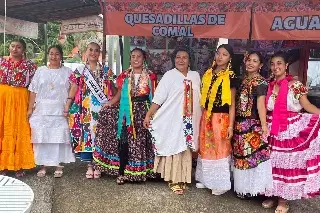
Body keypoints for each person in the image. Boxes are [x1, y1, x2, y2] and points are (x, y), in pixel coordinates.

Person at [262, 51, 320, 213]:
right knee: (271, 163)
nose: (275, 67)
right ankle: (273, 194)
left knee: (286, 164)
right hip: (271, 128)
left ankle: (283, 200)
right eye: (273, 64)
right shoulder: (269, 85)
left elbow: (307, 106)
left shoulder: (295, 85)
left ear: (286, 65)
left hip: (289, 129)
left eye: (279, 63)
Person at [144, 46, 201, 195]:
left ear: (189, 60)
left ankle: (183, 178)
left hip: (190, 120)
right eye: (178, 57)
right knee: (175, 146)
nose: (181, 60)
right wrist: (149, 114)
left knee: (186, 148)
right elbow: (158, 98)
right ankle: (174, 180)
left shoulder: (195, 76)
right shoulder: (169, 76)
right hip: (174, 119)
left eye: (184, 57)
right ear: (174, 60)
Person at [94, 48, 157, 184]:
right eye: (133, 56)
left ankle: (143, 171)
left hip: (143, 111)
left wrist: (152, 113)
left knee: (142, 142)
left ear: (143, 58)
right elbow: (119, 95)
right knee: (124, 142)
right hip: (126, 112)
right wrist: (109, 103)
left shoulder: (150, 76)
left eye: (138, 56)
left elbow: (154, 96)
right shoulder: (124, 76)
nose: (135, 59)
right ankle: (122, 172)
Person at [65, 42, 115, 179]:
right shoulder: (80, 70)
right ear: (86, 52)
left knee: (100, 135)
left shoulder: (106, 70)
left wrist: (113, 102)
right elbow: (73, 88)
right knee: (87, 135)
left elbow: (115, 89)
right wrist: (68, 104)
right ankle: (89, 166)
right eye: (90, 50)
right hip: (85, 109)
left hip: (102, 109)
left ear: (100, 53)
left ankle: (99, 164)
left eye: (96, 50)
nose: (93, 53)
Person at [195, 44, 238, 195]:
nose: (220, 57)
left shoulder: (231, 76)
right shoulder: (208, 73)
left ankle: (220, 183)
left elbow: (232, 104)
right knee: (206, 146)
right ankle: (207, 179)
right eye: (218, 53)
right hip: (207, 115)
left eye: (224, 54)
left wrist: (231, 126)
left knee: (220, 148)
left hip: (221, 117)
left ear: (230, 58)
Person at [28, 45, 75, 178]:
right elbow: (33, 90)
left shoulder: (68, 72)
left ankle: (59, 165)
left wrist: (68, 105)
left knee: (59, 136)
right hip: (42, 109)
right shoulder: (40, 71)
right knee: (42, 137)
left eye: (57, 54)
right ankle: (43, 165)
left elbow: (74, 89)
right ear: (48, 55)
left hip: (60, 109)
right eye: (51, 53)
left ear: (61, 56)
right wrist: (30, 108)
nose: (54, 57)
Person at [232, 51, 272, 198]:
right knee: (241, 155)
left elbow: (261, 105)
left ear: (260, 65)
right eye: (249, 60)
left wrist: (264, 125)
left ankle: (252, 189)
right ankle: (242, 188)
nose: (250, 63)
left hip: (251, 123)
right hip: (239, 122)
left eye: (255, 61)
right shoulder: (242, 80)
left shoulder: (260, 82)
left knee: (252, 156)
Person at [0, 39, 37, 177]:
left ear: (23, 50)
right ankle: (2, 164)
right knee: (3, 128)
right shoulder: (1, 61)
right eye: (13, 46)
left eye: (19, 47)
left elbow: (35, 86)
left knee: (19, 129)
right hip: (2, 98)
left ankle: (18, 164)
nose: (15, 49)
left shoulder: (30, 66)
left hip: (20, 98)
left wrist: (32, 106)